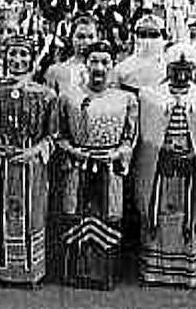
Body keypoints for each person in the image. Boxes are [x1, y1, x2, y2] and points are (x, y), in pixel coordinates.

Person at [52, 44, 138, 290]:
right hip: (78, 166)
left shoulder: (125, 99)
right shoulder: (69, 96)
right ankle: (73, 272)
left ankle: (105, 274)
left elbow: (130, 138)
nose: (99, 68)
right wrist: (72, 150)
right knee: (74, 213)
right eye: (94, 61)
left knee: (110, 216)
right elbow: (58, 134)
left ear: (112, 65)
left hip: (110, 169)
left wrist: (117, 154)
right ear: (86, 64)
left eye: (105, 62)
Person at [0, 34, 57, 286]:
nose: (18, 59)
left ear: (32, 59)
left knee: (30, 214)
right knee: (0, 213)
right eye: (13, 53)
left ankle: (30, 272)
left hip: (30, 166)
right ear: (4, 56)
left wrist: (34, 151)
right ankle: (0, 269)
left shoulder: (45, 94)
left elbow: (53, 135)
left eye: (23, 54)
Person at [135, 50, 196, 288]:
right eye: (175, 68)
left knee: (187, 218)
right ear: (167, 68)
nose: (181, 74)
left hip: (190, 170)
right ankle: (155, 270)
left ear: (193, 70)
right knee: (159, 217)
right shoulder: (150, 96)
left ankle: (186, 271)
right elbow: (144, 137)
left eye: (186, 68)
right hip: (161, 169)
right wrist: (160, 149)